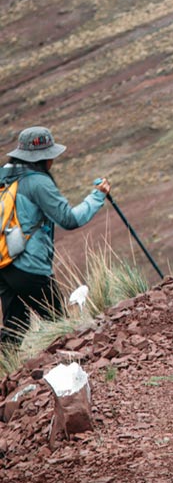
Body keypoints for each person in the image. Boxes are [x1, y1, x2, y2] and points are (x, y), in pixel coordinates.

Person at [0, 127, 111, 346]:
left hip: (4, 263)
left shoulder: (5, 176)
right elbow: (69, 219)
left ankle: (7, 374)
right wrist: (97, 196)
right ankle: (70, 366)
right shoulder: (38, 182)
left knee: (14, 327)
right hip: (30, 266)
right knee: (60, 325)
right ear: (43, 158)